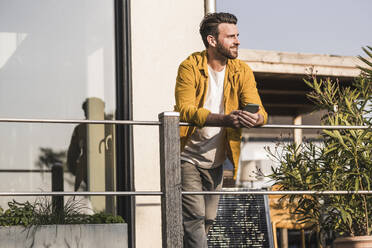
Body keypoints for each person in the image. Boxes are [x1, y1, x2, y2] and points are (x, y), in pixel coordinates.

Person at [174, 12, 268, 247]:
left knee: (207, 219)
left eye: (237, 35)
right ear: (212, 40)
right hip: (188, 156)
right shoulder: (189, 67)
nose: (237, 41)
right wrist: (225, 119)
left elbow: (262, 114)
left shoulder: (242, 71)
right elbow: (184, 110)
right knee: (194, 218)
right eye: (230, 36)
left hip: (217, 161)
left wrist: (252, 118)